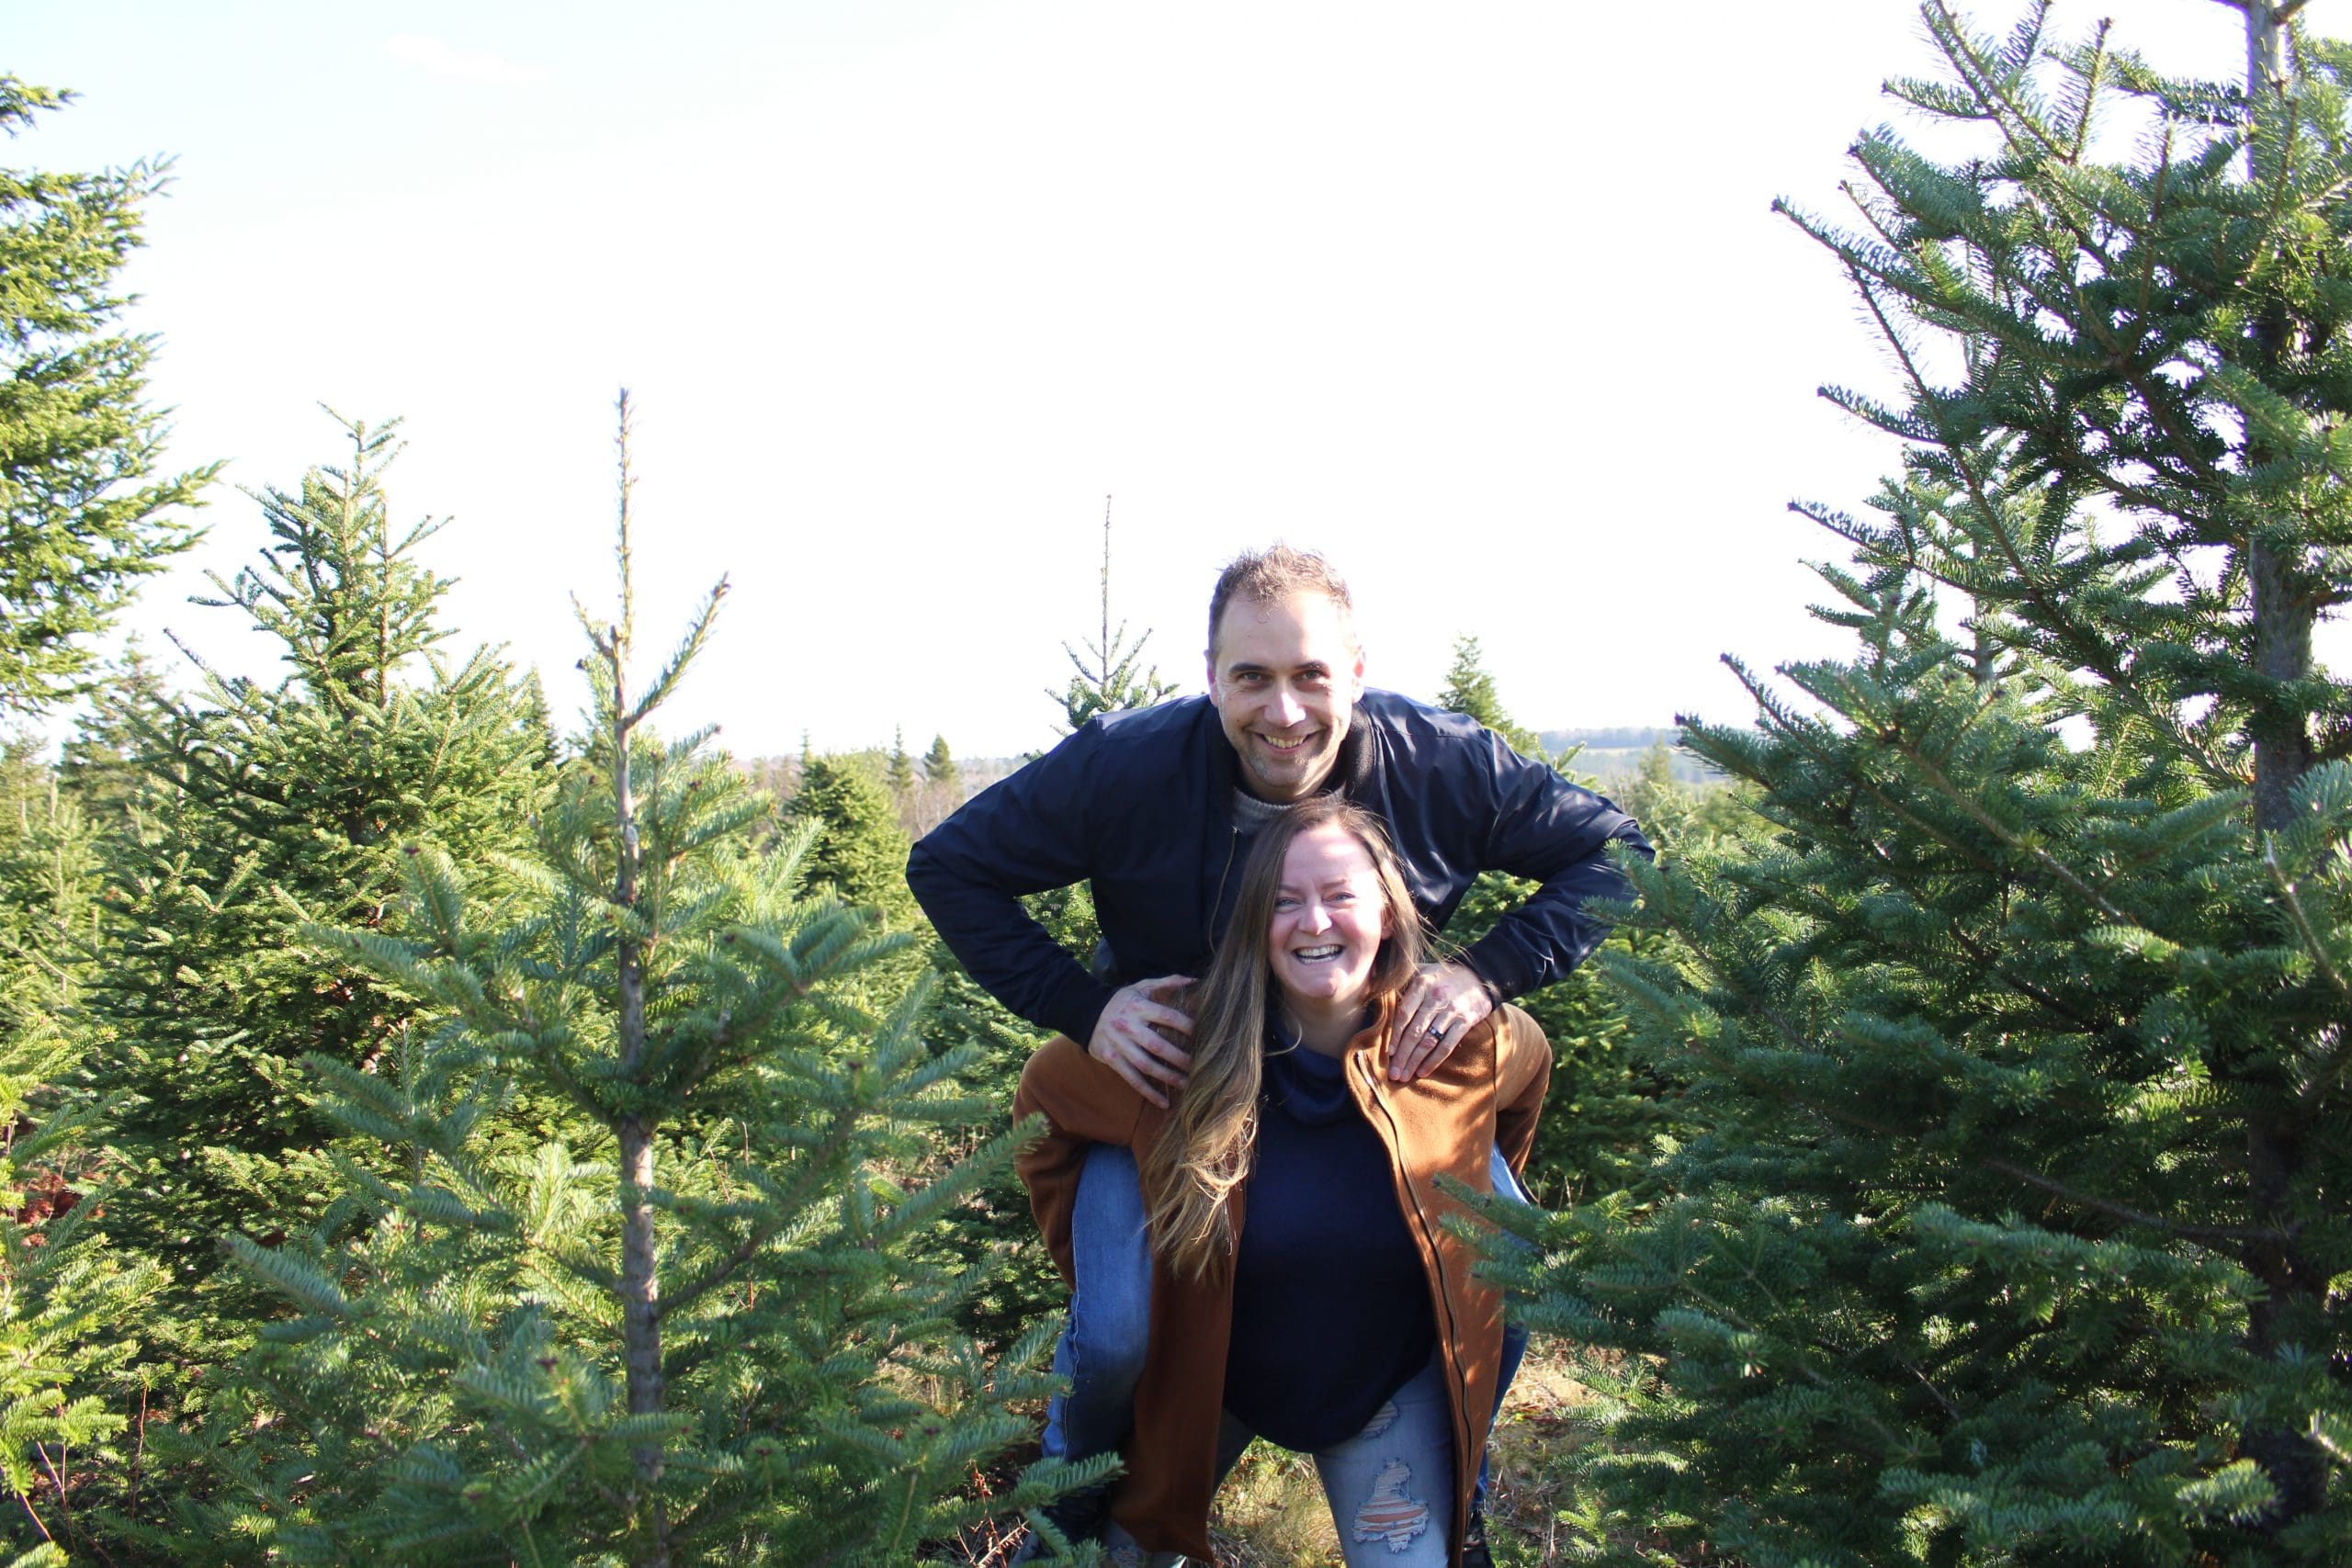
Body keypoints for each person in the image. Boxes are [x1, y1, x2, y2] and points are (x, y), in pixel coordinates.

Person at [908, 544, 1648, 1557]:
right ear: (1211, 678)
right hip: (1175, 1096)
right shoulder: (1126, 767)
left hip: (1372, 1097)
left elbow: (1616, 854)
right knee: (1121, 1329)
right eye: (1251, 677)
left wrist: (1484, 973)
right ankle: (1074, 1489)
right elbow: (950, 866)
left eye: (1310, 676)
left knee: (1510, 1273)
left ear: (1354, 672)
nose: (1284, 712)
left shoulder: (1441, 762)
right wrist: (1087, 1008)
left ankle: (1455, 1504)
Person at [1014, 796, 1551, 1566]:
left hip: (1383, 1387)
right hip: (1205, 1382)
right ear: (1252, 922)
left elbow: (1526, 1082)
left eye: (1340, 895)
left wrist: (1464, 1186)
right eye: (1284, 901)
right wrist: (1111, 1279)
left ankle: (1463, 1503)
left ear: (1390, 913)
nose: (1314, 922)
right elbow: (1042, 1105)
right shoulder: (1176, 1043)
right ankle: (1073, 1497)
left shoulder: (1460, 1036)